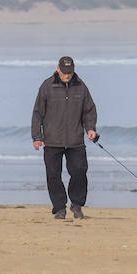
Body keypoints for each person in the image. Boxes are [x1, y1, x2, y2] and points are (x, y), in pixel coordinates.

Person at [31, 56, 98, 220]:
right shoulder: (47, 86)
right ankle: (59, 208)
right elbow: (38, 113)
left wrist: (90, 129)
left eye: (70, 72)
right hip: (52, 139)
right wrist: (37, 136)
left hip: (75, 140)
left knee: (80, 172)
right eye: (64, 72)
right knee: (53, 174)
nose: (67, 75)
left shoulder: (81, 86)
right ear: (58, 68)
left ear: (73, 69)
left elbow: (89, 110)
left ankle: (77, 205)